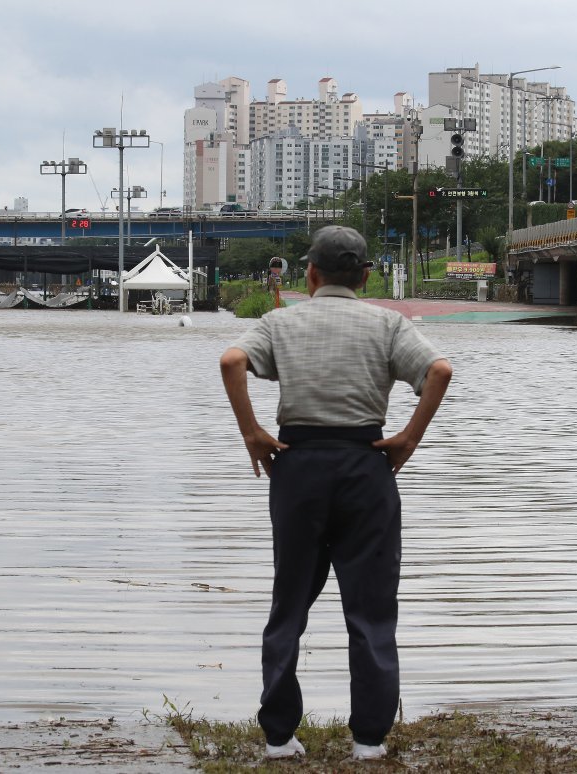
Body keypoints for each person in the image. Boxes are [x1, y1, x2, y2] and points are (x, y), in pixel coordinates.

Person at [219, 225, 452, 762]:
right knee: (370, 609)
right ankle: (369, 739)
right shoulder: (389, 323)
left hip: (296, 466)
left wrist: (252, 434)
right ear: (366, 276)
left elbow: (233, 361)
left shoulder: (281, 321)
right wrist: (408, 438)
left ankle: (279, 736)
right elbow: (439, 370)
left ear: (311, 273)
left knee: (289, 604)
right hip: (366, 465)